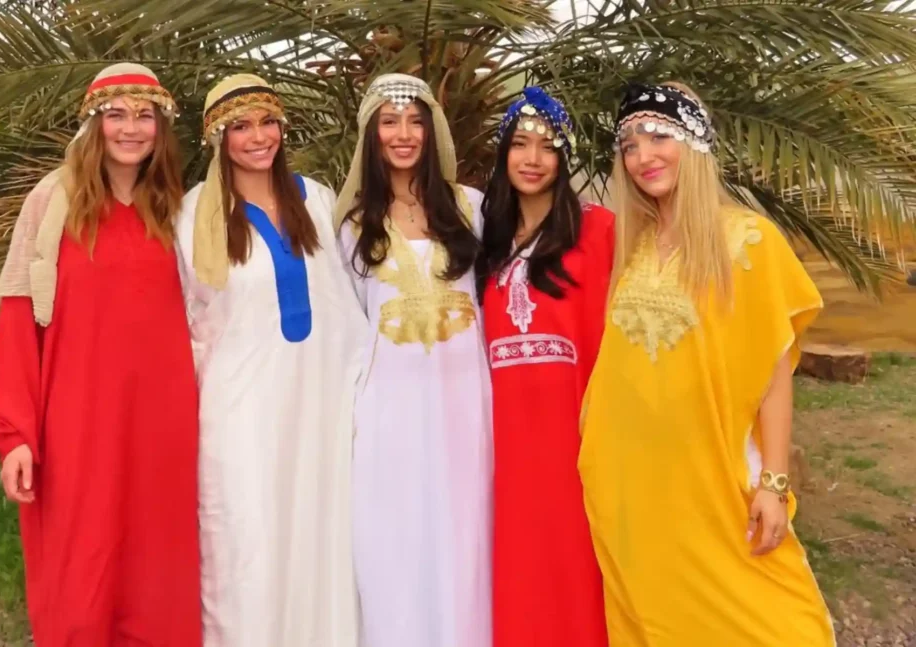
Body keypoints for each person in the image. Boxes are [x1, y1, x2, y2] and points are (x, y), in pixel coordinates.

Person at [578, 81, 834, 646]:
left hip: (712, 477)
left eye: (658, 136)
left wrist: (773, 483)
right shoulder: (636, 248)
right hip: (629, 482)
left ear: (694, 142)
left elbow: (773, 375)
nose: (643, 156)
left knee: (772, 621)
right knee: (657, 620)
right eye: (629, 144)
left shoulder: (748, 241)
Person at [0, 63, 200, 646]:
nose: (131, 128)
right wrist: (15, 434)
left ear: (161, 127)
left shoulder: (175, 209)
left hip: (163, 427)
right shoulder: (52, 202)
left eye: (145, 116)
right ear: (93, 123)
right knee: (79, 570)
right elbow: (18, 318)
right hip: (76, 422)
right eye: (116, 115)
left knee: (158, 567)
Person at [175, 73, 366, 647]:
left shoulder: (319, 199)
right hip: (240, 412)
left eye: (267, 122)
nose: (258, 137)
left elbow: (348, 299)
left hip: (322, 405)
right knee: (246, 547)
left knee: (323, 539)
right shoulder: (195, 214)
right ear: (217, 136)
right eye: (241, 126)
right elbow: (185, 318)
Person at [334, 72, 492, 647]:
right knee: (393, 544)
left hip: (465, 408)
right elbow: (348, 325)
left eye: (415, 122)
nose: (403, 134)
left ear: (432, 131)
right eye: (389, 121)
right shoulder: (352, 225)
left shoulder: (472, 208)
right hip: (389, 413)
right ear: (370, 134)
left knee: (464, 540)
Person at [476, 86, 612, 647]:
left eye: (548, 147)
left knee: (579, 567)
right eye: (520, 145)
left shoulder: (600, 230)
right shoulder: (487, 239)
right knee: (520, 571)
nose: (533, 159)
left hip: (577, 435)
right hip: (506, 443)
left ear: (565, 158)